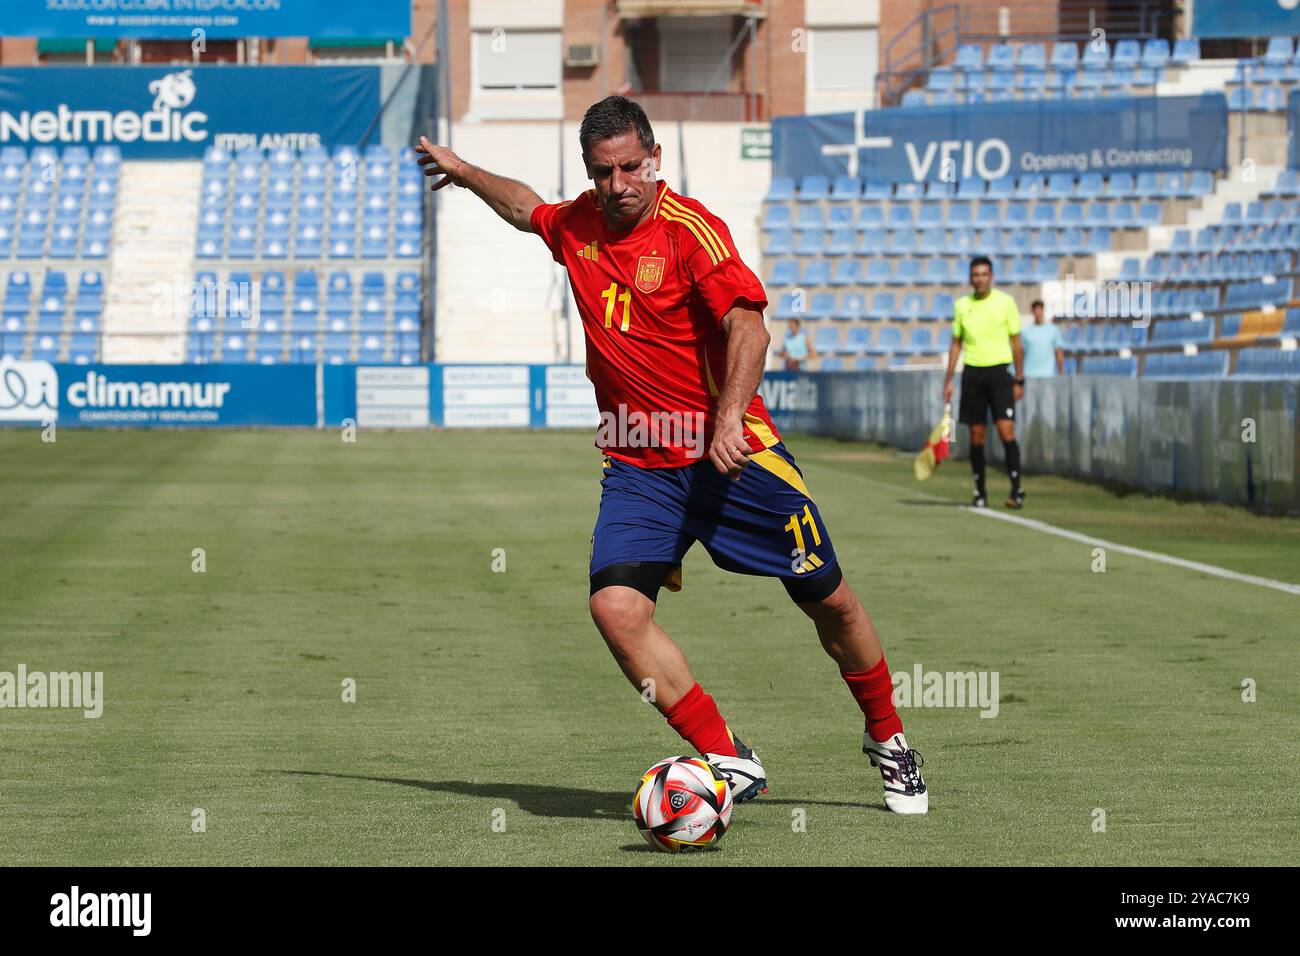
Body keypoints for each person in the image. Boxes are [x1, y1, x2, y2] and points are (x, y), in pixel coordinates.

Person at [416, 96, 927, 813]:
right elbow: (526, 207)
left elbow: (748, 328)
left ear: (654, 159)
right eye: (603, 172)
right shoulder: (579, 226)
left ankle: (890, 739)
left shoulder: (693, 232)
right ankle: (725, 755)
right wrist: (465, 170)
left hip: (732, 456)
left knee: (830, 601)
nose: (618, 183)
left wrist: (726, 422)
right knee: (615, 609)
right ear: (590, 173)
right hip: (638, 465)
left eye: (630, 166)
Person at [942, 256, 1026, 509]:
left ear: (991, 276)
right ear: (971, 278)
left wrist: (1019, 378)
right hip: (973, 373)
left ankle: (1016, 488)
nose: (979, 279)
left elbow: (1016, 342)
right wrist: (949, 380)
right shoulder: (962, 306)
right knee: (976, 435)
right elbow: (956, 343)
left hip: (1000, 372)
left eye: (984, 274)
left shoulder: (1005, 302)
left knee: (1005, 429)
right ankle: (980, 491)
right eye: (975, 275)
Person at [1020, 299, 1064, 378]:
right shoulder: (1025, 331)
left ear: (1043, 311)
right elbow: (1021, 353)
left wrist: (1061, 372)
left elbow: (1059, 353)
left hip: (1048, 375)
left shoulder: (1053, 330)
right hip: (1029, 375)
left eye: (1040, 309)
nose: (1038, 312)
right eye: (1035, 310)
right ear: (1032, 312)